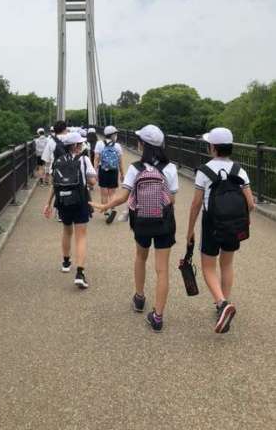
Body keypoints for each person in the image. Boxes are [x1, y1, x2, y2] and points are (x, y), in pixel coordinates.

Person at [91, 125, 178, 332]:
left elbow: (123, 196)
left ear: (142, 145)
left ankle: (139, 298)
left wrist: (105, 206)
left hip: (141, 221)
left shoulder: (135, 168)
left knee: (141, 257)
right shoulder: (170, 168)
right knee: (162, 268)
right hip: (164, 222)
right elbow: (172, 199)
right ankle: (158, 317)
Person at [186, 127, 255, 334]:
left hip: (211, 224)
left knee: (208, 267)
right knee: (227, 264)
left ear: (213, 147)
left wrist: (190, 230)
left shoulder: (204, 170)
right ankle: (223, 305)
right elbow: (251, 204)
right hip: (234, 225)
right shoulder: (239, 170)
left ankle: (222, 303)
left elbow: (196, 204)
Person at [43, 131, 97, 289]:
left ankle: (66, 263)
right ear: (75, 145)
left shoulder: (58, 161)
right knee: (81, 236)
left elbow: (54, 184)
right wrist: (89, 180)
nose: (81, 145)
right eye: (80, 143)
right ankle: (80, 273)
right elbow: (92, 181)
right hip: (80, 200)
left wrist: (48, 203)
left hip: (63, 201)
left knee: (67, 231)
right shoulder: (84, 159)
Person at [94, 125, 124, 224]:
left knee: (104, 193)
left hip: (103, 170)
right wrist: (122, 174)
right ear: (112, 135)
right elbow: (120, 162)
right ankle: (113, 209)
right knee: (112, 193)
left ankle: (106, 212)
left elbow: (96, 159)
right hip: (114, 171)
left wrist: (95, 172)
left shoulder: (99, 144)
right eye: (115, 134)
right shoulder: (117, 146)